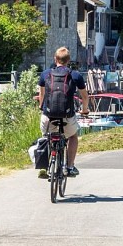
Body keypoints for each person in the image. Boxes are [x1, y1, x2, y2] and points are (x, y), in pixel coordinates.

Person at [38, 46, 89, 178]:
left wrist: (41, 107)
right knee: (73, 137)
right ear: (68, 60)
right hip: (67, 115)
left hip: (48, 115)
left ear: (55, 59)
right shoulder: (75, 75)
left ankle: (44, 167)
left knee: (46, 137)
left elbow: (41, 96)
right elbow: (85, 97)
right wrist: (85, 110)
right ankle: (70, 167)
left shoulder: (45, 74)